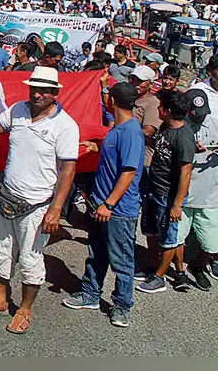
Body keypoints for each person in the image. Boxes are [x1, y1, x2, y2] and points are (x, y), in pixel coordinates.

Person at [0, 66, 79, 334]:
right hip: (7, 196)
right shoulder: (18, 110)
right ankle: (0, 299)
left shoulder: (66, 126)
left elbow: (68, 170)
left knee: (31, 261)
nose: (38, 94)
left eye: (44, 90)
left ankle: (25, 309)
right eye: (34, 89)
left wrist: (56, 209)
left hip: (37, 206)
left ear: (55, 93)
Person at [63, 82, 144, 328]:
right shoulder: (118, 129)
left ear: (113, 102)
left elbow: (128, 172)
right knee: (96, 253)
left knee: (121, 260)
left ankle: (121, 305)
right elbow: (115, 155)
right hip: (101, 205)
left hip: (118, 211)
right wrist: (95, 147)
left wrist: (108, 204)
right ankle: (90, 294)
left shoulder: (131, 132)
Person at [136, 90, 197, 293]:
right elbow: (160, 147)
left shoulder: (184, 137)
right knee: (151, 231)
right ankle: (152, 266)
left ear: (168, 111)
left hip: (168, 196)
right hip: (153, 188)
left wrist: (177, 205)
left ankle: (160, 277)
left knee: (169, 237)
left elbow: (185, 173)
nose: (157, 109)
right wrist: (143, 137)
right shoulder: (166, 128)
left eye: (160, 107)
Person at [176, 57, 218, 293]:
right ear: (211, 71)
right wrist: (193, 142)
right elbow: (181, 124)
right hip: (193, 169)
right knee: (179, 229)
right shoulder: (197, 93)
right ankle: (180, 271)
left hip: (214, 177)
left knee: (212, 241)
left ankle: (198, 263)